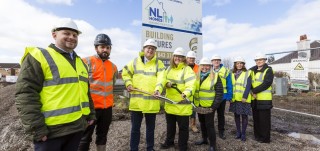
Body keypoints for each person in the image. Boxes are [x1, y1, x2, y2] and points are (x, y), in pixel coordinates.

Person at [15, 18, 96, 151]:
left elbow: (85, 92)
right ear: (54, 34)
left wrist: (91, 115)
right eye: (66, 33)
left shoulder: (80, 62)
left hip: (76, 129)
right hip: (51, 133)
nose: (71, 37)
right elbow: (25, 94)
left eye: (75, 35)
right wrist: (36, 129)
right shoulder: (39, 56)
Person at [122, 39, 166, 151]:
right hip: (137, 103)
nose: (150, 50)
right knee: (135, 129)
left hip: (151, 102)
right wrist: (128, 83)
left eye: (153, 48)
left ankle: (150, 148)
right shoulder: (135, 61)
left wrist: (158, 89)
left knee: (150, 129)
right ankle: (133, 149)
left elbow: (162, 78)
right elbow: (125, 73)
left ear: (155, 51)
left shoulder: (159, 63)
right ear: (144, 49)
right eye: (148, 48)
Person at [78, 34, 118, 151]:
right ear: (96, 48)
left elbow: (112, 84)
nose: (105, 50)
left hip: (107, 109)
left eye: (108, 47)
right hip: (90, 108)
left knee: (102, 136)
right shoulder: (86, 62)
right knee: (85, 137)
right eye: (102, 47)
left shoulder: (114, 67)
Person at [160, 47, 196, 151]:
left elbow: (191, 85)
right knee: (170, 126)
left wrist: (186, 93)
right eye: (176, 56)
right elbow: (163, 80)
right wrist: (166, 83)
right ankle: (169, 142)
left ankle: (182, 146)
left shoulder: (187, 69)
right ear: (173, 57)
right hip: (170, 104)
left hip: (182, 105)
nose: (178, 58)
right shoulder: (169, 69)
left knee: (183, 129)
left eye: (180, 57)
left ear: (184, 58)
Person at [194, 57, 223, 151]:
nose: (205, 67)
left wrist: (214, 106)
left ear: (210, 66)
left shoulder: (215, 76)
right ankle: (204, 139)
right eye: (203, 65)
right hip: (199, 105)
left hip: (209, 106)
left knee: (209, 125)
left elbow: (219, 93)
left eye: (207, 66)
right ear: (200, 66)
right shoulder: (196, 76)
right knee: (202, 123)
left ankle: (212, 145)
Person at [250, 53, 274, 143]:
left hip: (264, 99)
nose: (258, 62)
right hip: (255, 99)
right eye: (257, 60)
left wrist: (254, 91)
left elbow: (267, 83)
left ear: (264, 60)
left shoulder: (268, 70)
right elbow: (250, 83)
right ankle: (257, 136)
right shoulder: (253, 71)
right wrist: (252, 91)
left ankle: (265, 139)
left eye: (260, 60)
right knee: (256, 119)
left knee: (264, 120)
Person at [229, 57, 252, 141]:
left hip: (243, 99)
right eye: (237, 63)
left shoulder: (247, 73)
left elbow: (248, 86)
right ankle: (238, 132)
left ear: (243, 64)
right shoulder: (232, 74)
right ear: (235, 64)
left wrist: (245, 96)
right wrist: (230, 97)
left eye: (241, 63)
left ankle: (243, 133)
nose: (239, 65)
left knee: (244, 116)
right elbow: (231, 86)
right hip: (235, 99)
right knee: (236, 116)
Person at [211, 54, 233, 139]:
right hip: (212, 96)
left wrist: (229, 96)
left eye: (218, 60)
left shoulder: (225, 70)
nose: (216, 61)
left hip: (222, 97)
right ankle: (211, 131)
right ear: (212, 62)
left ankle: (221, 131)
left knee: (220, 115)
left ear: (220, 61)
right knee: (210, 114)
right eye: (214, 60)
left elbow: (229, 84)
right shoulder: (209, 70)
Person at [186, 50, 199, 133]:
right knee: (184, 108)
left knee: (193, 109)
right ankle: (184, 125)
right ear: (187, 58)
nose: (191, 59)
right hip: (185, 91)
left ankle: (193, 125)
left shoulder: (198, 68)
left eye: (193, 58)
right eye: (190, 58)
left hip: (195, 92)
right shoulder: (183, 67)